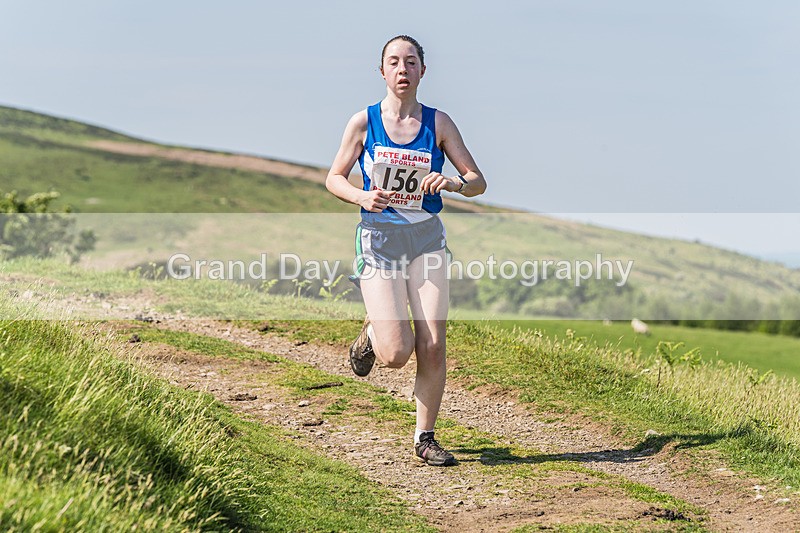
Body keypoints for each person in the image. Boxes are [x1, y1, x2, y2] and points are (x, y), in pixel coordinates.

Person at [326, 35, 486, 467]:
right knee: (396, 353)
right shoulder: (363, 122)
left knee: (433, 343)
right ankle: (374, 333)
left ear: (422, 71)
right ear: (382, 71)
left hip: (427, 240)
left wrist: (453, 182)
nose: (402, 70)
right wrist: (360, 197)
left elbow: (477, 181)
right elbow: (334, 178)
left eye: (410, 62)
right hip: (379, 240)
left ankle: (425, 437)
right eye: (394, 62)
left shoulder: (440, 123)